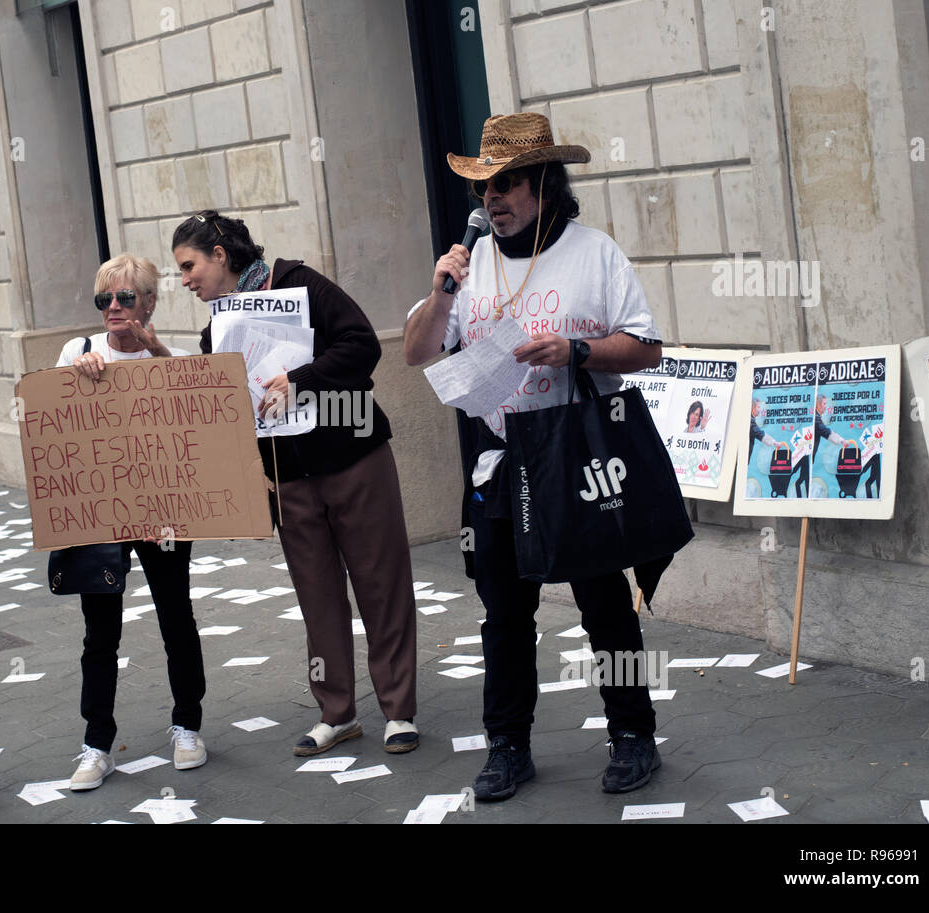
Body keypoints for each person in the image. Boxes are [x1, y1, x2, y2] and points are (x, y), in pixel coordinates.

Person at [404, 112, 665, 799]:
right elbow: (417, 352)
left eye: (507, 182)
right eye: (482, 186)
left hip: (578, 450)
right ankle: (507, 745)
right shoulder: (468, 265)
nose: (491, 198)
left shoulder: (594, 252)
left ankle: (633, 733)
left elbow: (645, 347)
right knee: (504, 614)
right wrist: (440, 292)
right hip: (501, 458)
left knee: (605, 604)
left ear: (544, 185)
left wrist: (575, 350)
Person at [172, 210, 420, 756]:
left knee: (381, 583)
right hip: (288, 478)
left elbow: (361, 347)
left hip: (354, 457)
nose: (184, 280)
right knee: (316, 595)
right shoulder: (217, 327)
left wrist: (301, 381)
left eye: (189, 266)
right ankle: (337, 713)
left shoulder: (303, 285)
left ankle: (399, 711)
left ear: (220, 254)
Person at [53, 253, 209, 789]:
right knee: (101, 632)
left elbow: (202, 416)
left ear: (150, 302)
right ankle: (97, 744)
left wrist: (156, 353)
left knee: (175, 617)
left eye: (125, 298)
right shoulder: (77, 352)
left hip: (163, 510)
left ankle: (187, 725)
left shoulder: (173, 356)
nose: (114, 308)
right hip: (100, 512)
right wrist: (75, 379)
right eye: (105, 300)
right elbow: (48, 425)